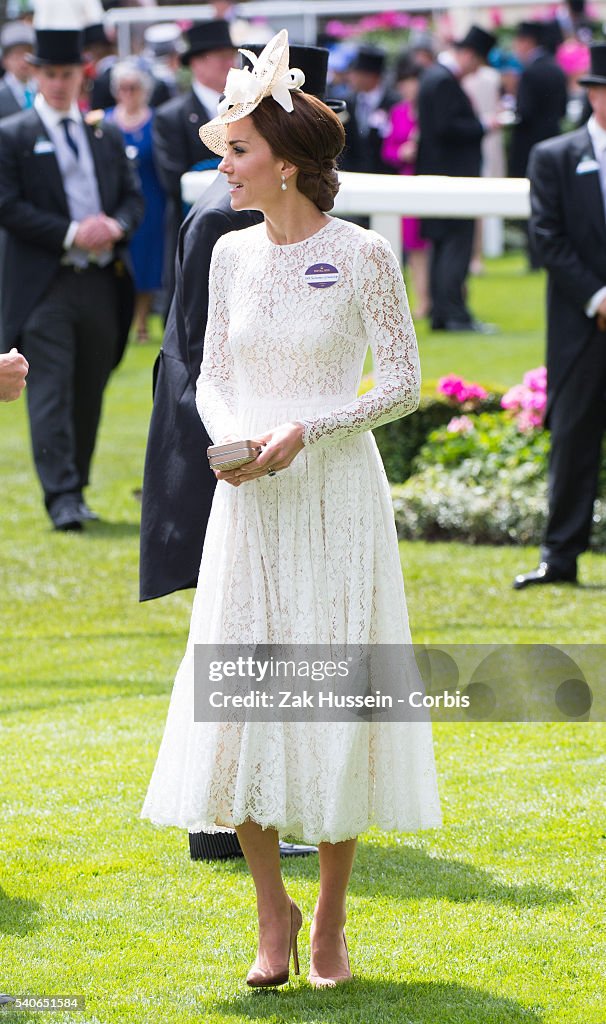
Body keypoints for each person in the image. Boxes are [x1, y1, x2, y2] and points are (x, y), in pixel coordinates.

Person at [141, 30, 441, 988]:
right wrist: (233, 438)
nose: (222, 166)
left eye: (237, 151)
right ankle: (273, 908)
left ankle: (332, 924)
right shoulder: (226, 254)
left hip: (338, 502)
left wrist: (307, 430)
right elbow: (209, 378)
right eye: (223, 150)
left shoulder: (365, 257)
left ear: (291, 163)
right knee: (242, 704)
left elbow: (400, 381)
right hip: (250, 507)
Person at [139, 41, 344, 863]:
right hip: (224, 445)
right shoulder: (232, 218)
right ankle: (219, 816)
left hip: (259, 444)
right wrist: (230, 447)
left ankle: (242, 809)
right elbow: (195, 350)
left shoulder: (296, 220)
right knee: (236, 639)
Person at [0, 29, 143, 530]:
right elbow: (7, 205)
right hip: (46, 283)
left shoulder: (102, 133)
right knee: (51, 389)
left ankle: (76, 487)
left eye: (66, 74)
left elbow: (132, 197)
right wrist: (70, 233)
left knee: (90, 387)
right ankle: (60, 496)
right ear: (34, 74)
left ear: (80, 76)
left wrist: (115, 225)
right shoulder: (12, 134)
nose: (58, 84)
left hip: (101, 280)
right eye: (49, 74)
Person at [513, 43, 606, 589]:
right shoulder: (553, 156)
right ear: (593, 94)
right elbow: (547, 237)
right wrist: (598, 298)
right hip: (579, 322)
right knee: (572, 437)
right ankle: (560, 556)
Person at [416, 25, 497, 333]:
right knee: (455, 245)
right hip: (451, 178)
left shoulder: (435, 78)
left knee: (442, 244)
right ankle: (453, 314)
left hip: (438, 178)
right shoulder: (443, 82)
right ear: (469, 55)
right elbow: (447, 128)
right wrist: (483, 126)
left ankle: (443, 313)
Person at [153, 20, 236, 311]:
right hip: (194, 230)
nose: (231, 63)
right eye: (222, 57)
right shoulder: (171, 116)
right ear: (198, 63)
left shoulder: (248, 110)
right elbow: (172, 179)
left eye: (232, 56)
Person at [106, 60, 167, 342]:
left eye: (133, 87)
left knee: (147, 261)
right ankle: (124, 317)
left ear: (144, 89)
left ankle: (141, 320)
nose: (127, 93)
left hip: (151, 200)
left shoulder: (156, 120)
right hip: (115, 202)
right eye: (122, 88)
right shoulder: (104, 120)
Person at [381, 53, 430, 318]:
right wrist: (401, 153)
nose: (409, 88)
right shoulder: (397, 113)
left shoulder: (430, 111)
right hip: (405, 179)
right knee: (414, 247)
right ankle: (422, 300)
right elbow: (388, 149)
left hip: (427, 178)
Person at [0, 21, 36, 118]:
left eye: (29, 54)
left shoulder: (43, 90)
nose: (24, 61)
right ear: (5, 60)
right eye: (17, 54)